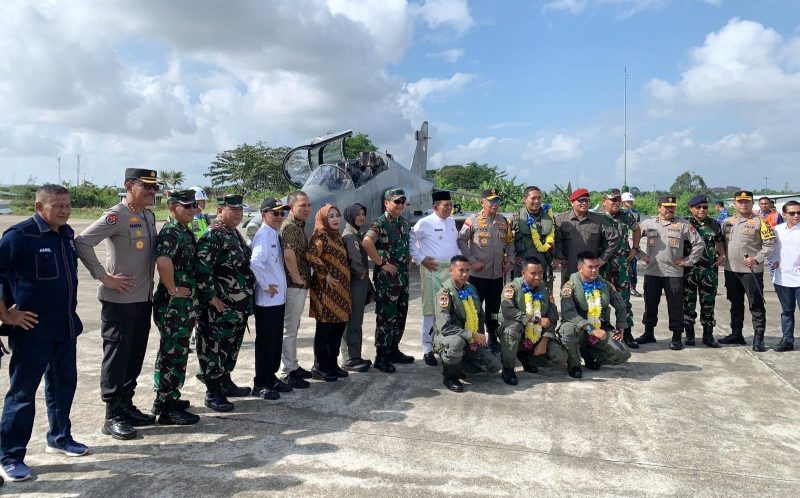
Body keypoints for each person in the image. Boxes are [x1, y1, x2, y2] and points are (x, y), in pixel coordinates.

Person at [0, 185, 87, 483]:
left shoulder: (65, 233)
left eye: (67, 205)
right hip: (32, 330)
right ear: (39, 207)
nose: (64, 210)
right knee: (22, 395)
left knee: (64, 386)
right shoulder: (19, 236)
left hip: (64, 327)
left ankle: (60, 437)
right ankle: (10, 456)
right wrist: (6, 314)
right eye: (57, 206)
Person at [75, 168, 160, 440]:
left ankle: (126, 405)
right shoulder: (117, 215)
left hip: (142, 299)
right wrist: (103, 277)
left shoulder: (147, 215)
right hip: (120, 301)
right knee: (117, 356)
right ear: (128, 186)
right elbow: (82, 242)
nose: (151, 192)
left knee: (135, 354)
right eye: (145, 187)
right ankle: (112, 415)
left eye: (154, 188)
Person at [194, 194, 255, 411]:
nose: (238, 214)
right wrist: (211, 297)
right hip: (219, 307)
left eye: (240, 211)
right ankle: (213, 392)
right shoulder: (213, 235)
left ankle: (225, 381)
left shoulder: (233, 234)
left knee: (230, 347)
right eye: (233, 210)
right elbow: (202, 269)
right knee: (214, 348)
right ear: (220, 211)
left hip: (237, 306)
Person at [150, 189, 201, 425]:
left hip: (182, 304)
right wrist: (172, 289)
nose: (192, 210)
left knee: (174, 352)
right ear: (172, 207)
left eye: (194, 206)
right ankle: (167, 408)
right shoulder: (171, 231)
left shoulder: (182, 230)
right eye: (186, 206)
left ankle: (165, 399)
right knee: (174, 354)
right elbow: (163, 261)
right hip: (173, 305)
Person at [635, 195, 704, 350]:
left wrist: (688, 261)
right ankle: (648, 333)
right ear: (659, 207)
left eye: (672, 207)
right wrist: (640, 255)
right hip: (653, 271)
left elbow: (699, 243)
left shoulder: (683, 224)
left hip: (674, 273)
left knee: (675, 306)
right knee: (650, 304)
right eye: (666, 206)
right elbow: (633, 238)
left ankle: (676, 336)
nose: (669, 209)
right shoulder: (648, 223)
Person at [457, 188, 515, 352]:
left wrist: (510, 260)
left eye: (497, 201)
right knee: (474, 308)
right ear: (482, 202)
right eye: (491, 201)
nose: (495, 204)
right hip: (477, 276)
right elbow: (461, 240)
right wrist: (472, 261)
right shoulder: (472, 220)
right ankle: (474, 339)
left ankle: (492, 338)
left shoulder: (504, 221)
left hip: (497, 275)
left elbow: (510, 242)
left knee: (494, 310)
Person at [432, 255, 502, 392]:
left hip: (470, 337)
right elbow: (445, 328)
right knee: (456, 343)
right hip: (448, 337)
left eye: (468, 270)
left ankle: (461, 362)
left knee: (495, 366)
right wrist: (472, 334)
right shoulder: (444, 294)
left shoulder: (471, 288)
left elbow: (480, 316)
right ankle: (450, 377)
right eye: (461, 270)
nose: (465, 274)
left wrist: (480, 336)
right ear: (451, 271)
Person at [362, 188, 413, 373]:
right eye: (396, 201)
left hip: (402, 278)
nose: (400, 205)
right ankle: (381, 356)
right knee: (386, 317)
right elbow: (367, 242)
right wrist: (381, 263)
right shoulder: (381, 223)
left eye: (402, 201)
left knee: (400, 314)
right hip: (387, 280)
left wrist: (407, 266)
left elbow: (407, 248)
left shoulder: (404, 223)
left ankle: (393, 350)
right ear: (386, 203)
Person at [250, 198, 294, 399]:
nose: (278, 217)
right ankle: (261, 382)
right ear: (263, 214)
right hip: (267, 302)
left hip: (277, 300)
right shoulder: (264, 235)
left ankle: (271, 377)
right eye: (274, 213)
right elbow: (255, 263)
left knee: (275, 341)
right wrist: (267, 285)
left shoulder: (273, 233)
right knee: (266, 343)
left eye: (282, 213)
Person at [719, 190, 775, 351]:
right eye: (740, 201)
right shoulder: (728, 222)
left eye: (747, 201)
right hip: (731, 270)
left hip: (752, 271)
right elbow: (721, 242)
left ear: (752, 203)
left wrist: (756, 258)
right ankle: (736, 333)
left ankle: (759, 338)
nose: (743, 204)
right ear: (735, 203)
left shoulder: (761, 222)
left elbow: (769, 245)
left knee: (756, 305)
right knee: (735, 303)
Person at [559, 251, 631, 376]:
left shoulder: (605, 284)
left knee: (622, 355)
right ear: (579, 268)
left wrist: (621, 328)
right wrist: (591, 329)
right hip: (579, 330)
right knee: (567, 330)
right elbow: (568, 313)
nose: (594, 271)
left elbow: (621, 306)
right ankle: (574, 364)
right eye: (590, 267)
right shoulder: (569, 287)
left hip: (600, 328)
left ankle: (589, 353)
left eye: (596, 267)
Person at [410, 191, 460, 367]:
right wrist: (420, 258)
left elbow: (455, 245)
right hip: (432, 270)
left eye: (450, 205)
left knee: (450, 308)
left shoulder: (452, 222)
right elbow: (411, 241)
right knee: (431, 309)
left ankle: (445, 344)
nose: (449, 208)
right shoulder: (424, 223)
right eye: (445, 205)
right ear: (435, 207)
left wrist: (461, 263)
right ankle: (427, 348)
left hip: (451, 270)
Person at [498, 257, 568, 385]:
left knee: (560, 356)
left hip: (536, 334)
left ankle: (528, 358)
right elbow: (508, 311)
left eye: (540, 273)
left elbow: (552, 318)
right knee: (512, 329)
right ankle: (508, 369)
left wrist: (545, 340)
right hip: (517, 333)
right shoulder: (512, 288)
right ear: (523, 273)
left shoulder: (544, 289)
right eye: (533, 273)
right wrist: (535, 319)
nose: (537, 277)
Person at [306, 205, 352, 381]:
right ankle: (320, 366)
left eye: (337, 216)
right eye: (331, 216)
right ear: (324, 218)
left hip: (341, 293)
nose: (335, 219)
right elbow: (311, 256)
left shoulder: (336, 236)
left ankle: (332, 363)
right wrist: (325, 274)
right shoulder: (321, 236)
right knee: (325, 330)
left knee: (337, 329)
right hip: (326, 293)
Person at [596, 188, 642, 349]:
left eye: (618, 200)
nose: (616, 203)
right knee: (601, 299)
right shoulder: (597, 217)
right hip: (603, 265)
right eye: (612, 200)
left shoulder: (626, 215)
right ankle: (604, 331)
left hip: (622, 265)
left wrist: (635, 248)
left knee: (623, 300)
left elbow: (637, 229)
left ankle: (626, 331)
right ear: (604, 201)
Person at [682, 195, 726, 348]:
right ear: (691, 208)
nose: (702, 210)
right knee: (688, 303)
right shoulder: (685, 223)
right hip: (689, 271)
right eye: (698, 207)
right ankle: (689, 335)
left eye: (705, 207)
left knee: (708, 303)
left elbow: (719, 241)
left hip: (709, 271)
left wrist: (722, 255)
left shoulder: (714, 224)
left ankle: (708, 335)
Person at [279, 191, 313, 388]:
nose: (307, 209)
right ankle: (287, 370)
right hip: (294, 286)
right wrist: (298, 279)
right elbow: (289, 255)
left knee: (294, 327)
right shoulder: (291, 227)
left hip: (298, 285)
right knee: (289, 330)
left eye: (308, 205)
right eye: (302, 205)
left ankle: (294, 365)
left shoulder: (299, 225)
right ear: (292, 206)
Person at [554, 188, 619, 283]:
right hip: (569, 269)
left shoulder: (599, 220)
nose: (584, 203)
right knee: (567, 295)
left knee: (592, 296)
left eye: (587, 200)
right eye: (581, 200)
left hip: (591, 271)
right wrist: (558, 256)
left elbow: (614, 239)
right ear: (572, 202)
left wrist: (602, 259)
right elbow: (556, 240)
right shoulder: (560, 219)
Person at [341, 203, 373, 372]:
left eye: (363, 214)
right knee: (352, 320)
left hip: (359, 282)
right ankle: (350, 359)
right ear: (350, 216)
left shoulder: (356, 234)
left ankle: (355, 355)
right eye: (357, 214)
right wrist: (362, 276)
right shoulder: (350, 237)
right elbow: (356, 263)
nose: (361, 217)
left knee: (357, 320)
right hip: (355, 283)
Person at [511, 186, 560, 289]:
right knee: (521, 295)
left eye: (539, 198)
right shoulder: (516, 218)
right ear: (525, 200)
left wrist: (556, 258)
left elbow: (558, 238)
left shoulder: (549, 217)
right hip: (522, 266)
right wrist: (511, 257)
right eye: (533, 198)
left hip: (544, 264)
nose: (537, 201)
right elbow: (507, 240)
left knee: (544, 296)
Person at [769, 200, 800, 352]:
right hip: (783, 277)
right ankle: (787, 340)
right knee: (787, 311)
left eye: (799, 213)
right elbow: (772, 250)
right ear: (784, 214)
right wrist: (773, 261)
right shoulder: (777, 230)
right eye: (792, 213)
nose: (796, 215)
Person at [621, 191, 642, 297]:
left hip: (632, 242)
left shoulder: (634, 213)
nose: (630, 203)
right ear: (623, 202)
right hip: (624, 242)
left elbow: (636, 229)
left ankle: (632, 287)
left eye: (631, 201)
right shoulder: (619, 213)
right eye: (628, 201)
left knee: (633, 267)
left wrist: (635, 246)